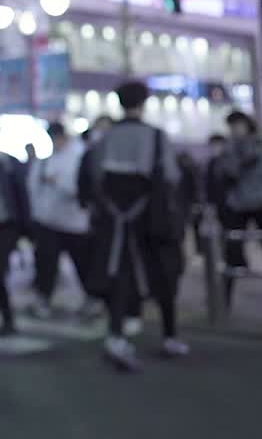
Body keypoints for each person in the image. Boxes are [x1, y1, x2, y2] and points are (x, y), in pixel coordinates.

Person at [82, 82, 185, 371]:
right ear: (144, 103)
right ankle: (170, 336)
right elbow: (172, 177)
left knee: (119, 276)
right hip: (151, 219)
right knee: (164, 274)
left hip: (115, 220)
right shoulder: (155, 137)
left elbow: (94, 176)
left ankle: (116, 336)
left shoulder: (106, 138)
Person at [28, 122, 99, 320]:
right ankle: (44, 298)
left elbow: (83, 188)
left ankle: (91, 298)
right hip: (48, 221)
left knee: (82, 264)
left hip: (75, 222)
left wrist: (58, 183)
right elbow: (33, 188)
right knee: (46, 264)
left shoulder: (78, 157)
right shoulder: (46, 160)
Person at [217, 112, 262, 307]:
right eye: (233, 126)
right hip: (241, 202)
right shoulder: (231, 147)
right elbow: (227, 173)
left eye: (238, 125)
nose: (236, 130)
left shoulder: (259, 146)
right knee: (233, 249)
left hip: (261, 201)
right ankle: (224, 296)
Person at [0, 151, 29, 337]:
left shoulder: (6, 163)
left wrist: (25, 226)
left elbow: (21, 193)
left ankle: (7, 317)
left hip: (6, 225)